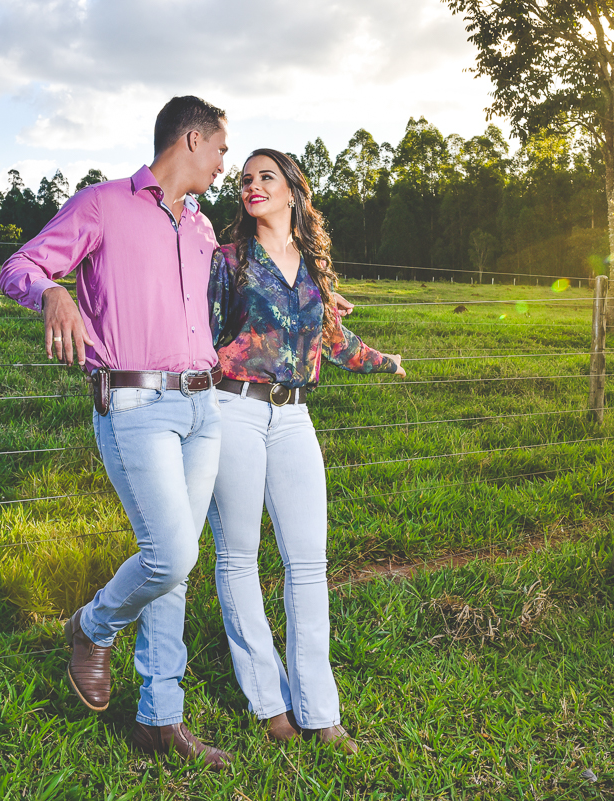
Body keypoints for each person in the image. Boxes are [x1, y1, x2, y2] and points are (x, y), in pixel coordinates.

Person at [0, 96, 233, 768]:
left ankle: (160, 719)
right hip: (135, 407)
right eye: (220, 148)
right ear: (191, 139)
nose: (224, 162)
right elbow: (20, 266)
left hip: (201, 408)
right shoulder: (103, 203)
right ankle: (91, 625)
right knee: (171, 555)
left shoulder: (200, 226)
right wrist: (53, 290)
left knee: (175, 572)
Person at [206, 148, 406, 754]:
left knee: (309, 563)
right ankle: (269, 701)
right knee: (239, 557)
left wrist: (384, 360)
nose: (250, 185)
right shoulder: (229, 260)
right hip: (233, 407)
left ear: (293, 190)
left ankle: (321, 711)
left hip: (294, 418)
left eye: (265, 176)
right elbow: (200, 334)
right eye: (244, 179)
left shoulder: (316, 270)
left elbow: (334, 343)